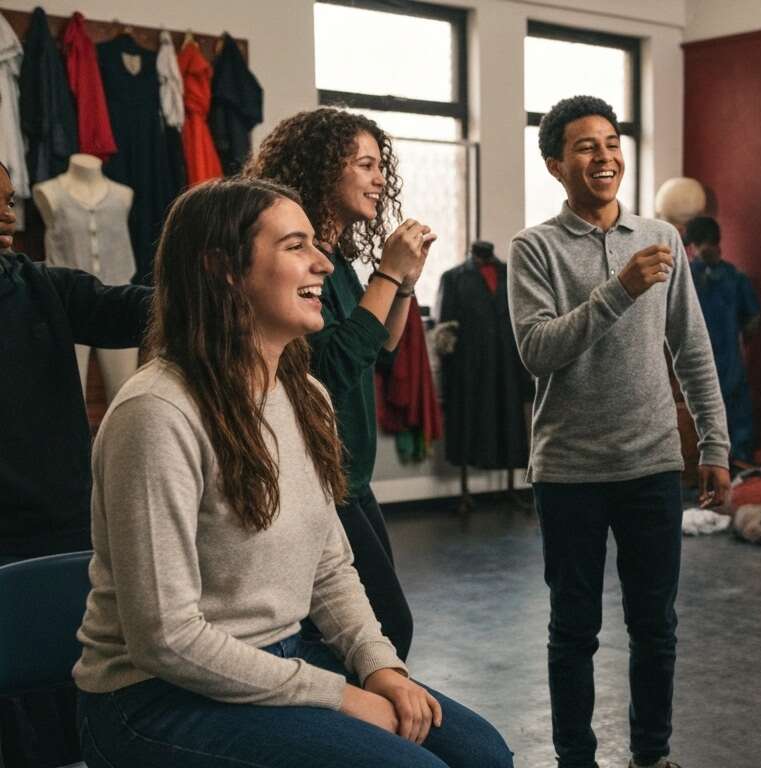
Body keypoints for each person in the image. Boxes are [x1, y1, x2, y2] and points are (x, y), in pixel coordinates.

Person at [71, 178, 512, 768]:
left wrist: (379, 665)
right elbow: (166, 640)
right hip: (153, 699)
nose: (324, 263)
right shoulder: (156, 413)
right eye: (295, 245)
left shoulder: (303, 395)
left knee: (482, 753)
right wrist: (337, 695)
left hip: (277, 660)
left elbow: (329, 565)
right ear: (223, 268)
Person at [507, 95, 730, 768]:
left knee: (655, 628)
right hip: (570, 470)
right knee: (573, 630)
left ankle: (652, 756)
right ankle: (576, 758)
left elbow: (692, 347)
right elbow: (537, 350)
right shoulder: (534, 248)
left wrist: (714, 443)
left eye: (611, 142)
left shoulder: (659, 238)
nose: (604, 156)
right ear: (554, 164)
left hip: (652, 466)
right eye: (585, 146)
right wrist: (618, 292)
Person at [247, 108, 433, 658]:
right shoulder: (304, 266)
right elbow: (326, 369)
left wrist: (402, 284)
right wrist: (389, 273)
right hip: (319, 477)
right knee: (383, 628)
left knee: (381, 628)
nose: (380, 179)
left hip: (351, 474)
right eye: (365, 164)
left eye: (382, 167)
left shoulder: (341, 262)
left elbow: (382, 347)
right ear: (325, 170)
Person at [0, 159, 150, 766]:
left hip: (61, 531)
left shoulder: (38, 286)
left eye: (8, 200)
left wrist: (222, 288)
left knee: (69, 709)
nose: (7, 216)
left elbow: (129, 308)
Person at [684, 215, 761, 463]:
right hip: (693, 357)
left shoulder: (735, 278)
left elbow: (753, 318)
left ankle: (739, 458)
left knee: (735, 408)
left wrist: (741, 338)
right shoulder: (686, 276)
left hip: (728, 357)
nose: (699, 251)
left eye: (703, 244)